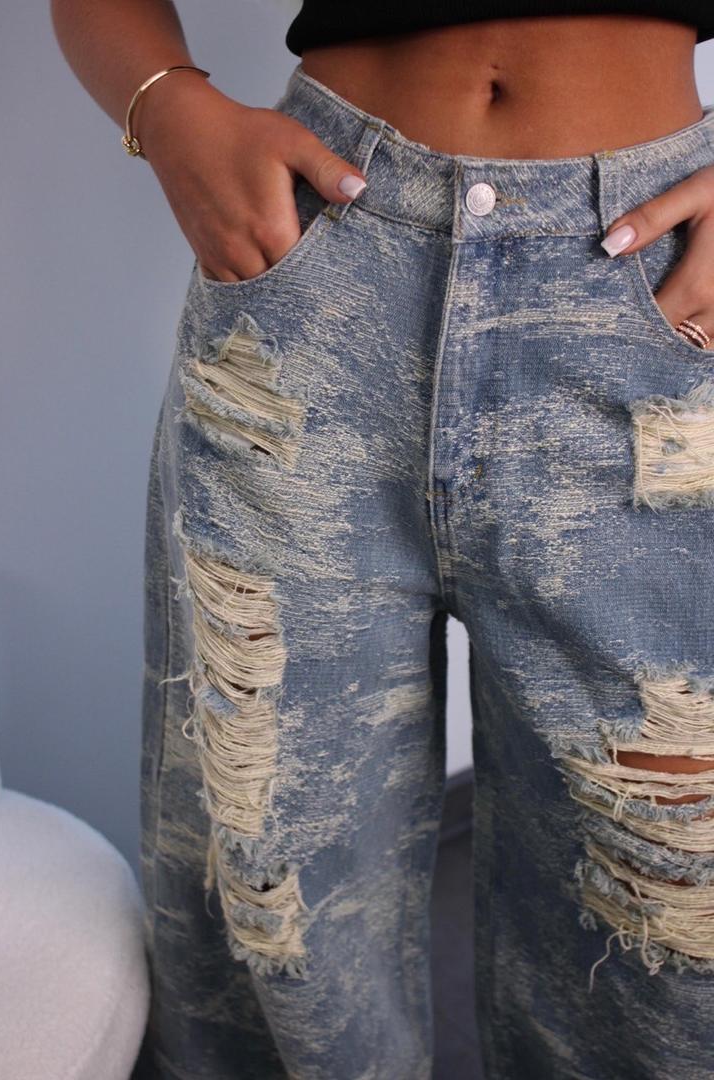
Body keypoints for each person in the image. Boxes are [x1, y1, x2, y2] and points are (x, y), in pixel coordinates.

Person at [51, 1, 714, 1077]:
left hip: (654, 304)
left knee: (665, 912)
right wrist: (168, 111)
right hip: (317, 281)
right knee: (270, 884)